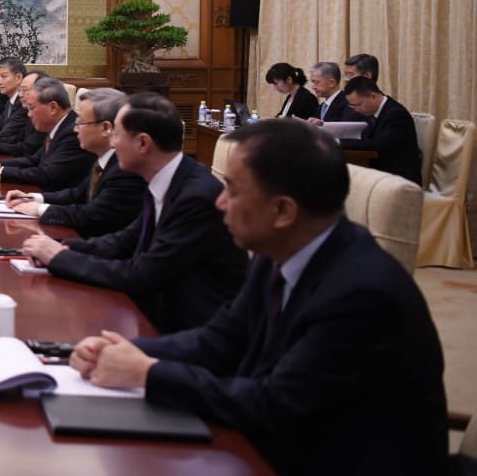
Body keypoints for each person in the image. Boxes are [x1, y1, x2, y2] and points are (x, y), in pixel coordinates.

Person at [70, 119, 446, 475]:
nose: (220, 202)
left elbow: (275, 404)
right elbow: (220, 341)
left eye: (232, 191)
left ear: (282, 210)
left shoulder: (362, 295)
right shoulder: (277, 253)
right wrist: (126, 352)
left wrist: (148, 373)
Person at [22, 92, 246, 334]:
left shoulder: (195, 197)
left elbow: (143, 275)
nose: (112, 143)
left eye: (117, 135)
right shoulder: (164, 177)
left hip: (185, 329)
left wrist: (60, 259)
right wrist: (65, 247)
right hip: (155, 313)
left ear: (142, 143)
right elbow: (126, 240)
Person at [4, 88, 146, 236]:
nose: (75, 129)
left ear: (105, 128)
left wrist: (40, 209)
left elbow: (91, 216)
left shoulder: (125, 169)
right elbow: (76, 194)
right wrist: (34, 198)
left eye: (81, 122)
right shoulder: (103, 158)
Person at [0, 77, 94, 190]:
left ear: (53, 107)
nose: (29, 114)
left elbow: (47, 175)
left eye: (31, 108)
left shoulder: (73, 132)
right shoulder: (58, 126)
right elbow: (34, 160)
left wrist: (0, 173)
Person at [337, 76, 422, 185]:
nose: (356, 110)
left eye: (358, 105)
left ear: (373, 96)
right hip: (379, 171)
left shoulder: (395, 114)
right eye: (353, 106)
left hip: (398, 177)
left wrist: (339, 143)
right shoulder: (372, 112)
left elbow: (378, 144)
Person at [0, 70, 48, 157]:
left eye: (25, 90)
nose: (20, 95)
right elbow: (17, 139)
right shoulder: (19, 106)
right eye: (20, 90)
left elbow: (27, 149)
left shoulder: (43, 117)